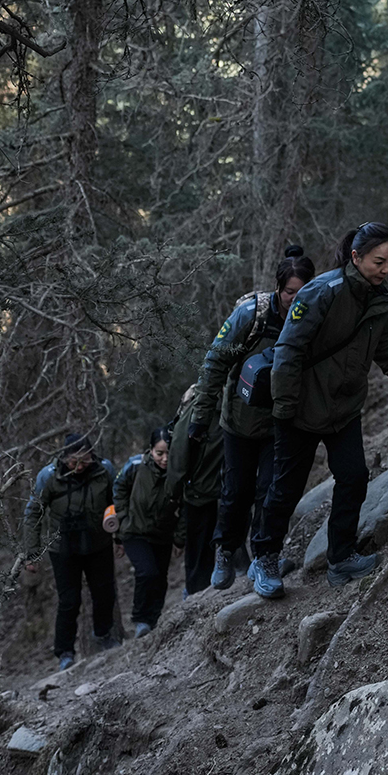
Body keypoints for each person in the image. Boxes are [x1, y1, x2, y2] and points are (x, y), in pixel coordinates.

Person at [249, 222, 388, 600]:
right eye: (378, 262)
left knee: (354, 477)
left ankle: (341, 557)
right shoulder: (322, 291)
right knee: (286, 488)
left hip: (345, 408)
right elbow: (289, 349)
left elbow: (386, 350)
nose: (386, 269)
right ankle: (264, 557)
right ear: (356, 257)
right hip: (300, 408)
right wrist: (284, 406)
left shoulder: (379, 300)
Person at [190, 245, 314, 591]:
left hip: (281, 422)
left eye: (302, 292)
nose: (295, 299)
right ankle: (226, 549)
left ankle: (265, 557)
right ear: (278, 288)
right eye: (290, 292)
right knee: (236, 492)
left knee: (271, 491)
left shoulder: (313, 318)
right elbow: (215, 362)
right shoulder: (250, 316)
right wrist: (201, 416)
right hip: (240, 422)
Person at [23, 432, 120, 671]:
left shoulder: (104, 471)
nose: (79, 466)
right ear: (64, 458)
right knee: (69, 601)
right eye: (73, 461)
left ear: (92, 455)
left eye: (84, 460)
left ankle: (103, 636)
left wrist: (120, 537)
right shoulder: (49, 476)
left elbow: (118, 503)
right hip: (63, 548)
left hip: (98, 543)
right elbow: (33, 513)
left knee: (104, 594)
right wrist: (32, 553)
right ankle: (65, 652)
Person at [113, 427, 183, 636]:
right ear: (150, 450)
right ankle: (141, 619)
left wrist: (179, 538)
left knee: (160, 577)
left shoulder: (179, 470)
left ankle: (154, 620)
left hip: (163, 533)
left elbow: (185, 506)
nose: (164, 459)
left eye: (168, 453)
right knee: (147, 572)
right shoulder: (135, 465)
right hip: (134, 531)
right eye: (159, 453)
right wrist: (123, 518)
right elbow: (119, 489)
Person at [167, 384, 223, 595]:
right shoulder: (228, 404)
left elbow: (178, 455)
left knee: (199, 551)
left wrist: (173, 493)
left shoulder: (199, 408)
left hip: (202, 489)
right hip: (219, 488)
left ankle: (197, 592)